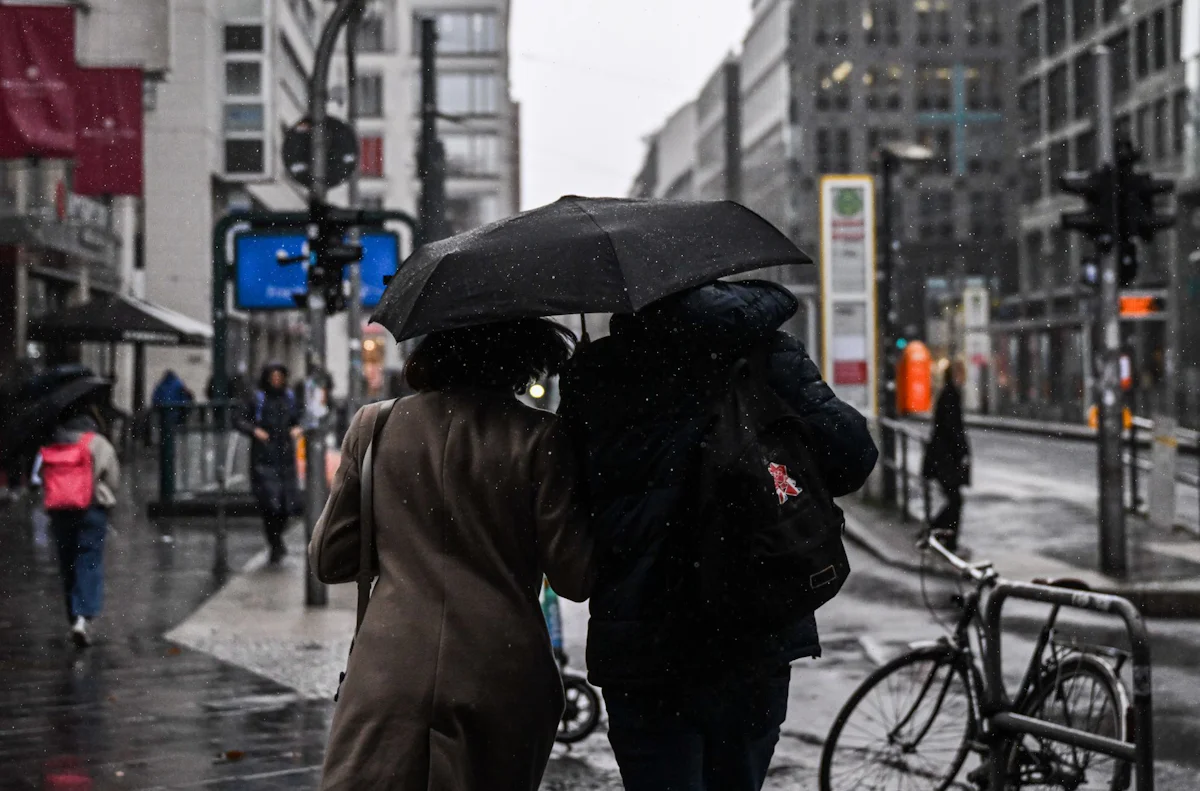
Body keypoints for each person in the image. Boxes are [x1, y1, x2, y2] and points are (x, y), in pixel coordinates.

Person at [558, 280, 878, 791]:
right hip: (753, 624)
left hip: (642, 643)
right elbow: (851, 459)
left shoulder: (597, 375)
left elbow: (567, 499)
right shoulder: (766, 354)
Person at [310, 318, 594, 791]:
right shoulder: (541, 438)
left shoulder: (375, 426)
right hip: (499, 671)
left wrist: (407, 537)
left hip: (391, 670)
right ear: (522, 359)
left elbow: (331, 559)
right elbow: (575, 576)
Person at [33, 400, 120, 648]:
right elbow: (113, 478)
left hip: (60, 511)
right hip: (91, 509)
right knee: (89, 560)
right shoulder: (97, 443)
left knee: (67, 562)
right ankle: (83, 618)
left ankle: (73, 615)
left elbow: (41, 476)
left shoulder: (52, 442)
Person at [236, 364, 302, 564]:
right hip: (263, 459)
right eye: (272, 376)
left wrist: (298, 428)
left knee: (285, 506)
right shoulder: (258, 399)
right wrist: (255, 431)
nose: (276, 380)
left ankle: (277, 539)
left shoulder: (289, 398)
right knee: (270, 504)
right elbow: (239, 419)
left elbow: (301, 418)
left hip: (285, 459)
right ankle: (275, 543)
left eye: (279, 376)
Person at [923, 360, 971, 551]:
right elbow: (953, 429)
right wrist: (963, 452)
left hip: (943, 458)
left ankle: (939, 534)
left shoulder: (947, 393)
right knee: (955, 500)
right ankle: (940, 535)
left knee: (954, 499)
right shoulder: (951, 395)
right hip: (946, 459)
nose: (963, 376)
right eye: (961, 372)